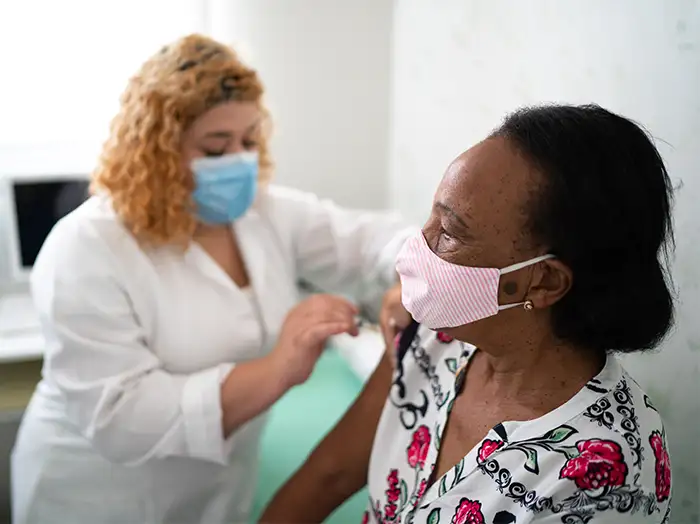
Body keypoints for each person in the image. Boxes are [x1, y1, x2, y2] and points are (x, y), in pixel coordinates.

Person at [10, 34, 413, 524]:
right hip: (98, 496)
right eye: (216, 147)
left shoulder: (264, 215)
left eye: (248, 141)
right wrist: (280, 367)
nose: (239, 161)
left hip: (220, 489)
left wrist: (407, 282)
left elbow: (376, 240)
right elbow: (121, 419)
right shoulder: (87, 246)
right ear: (154, 152)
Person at [260, 104, 675, 523]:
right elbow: (327, 477)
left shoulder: (608, 473)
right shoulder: (434, 337)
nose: (417, 246)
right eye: (432, 216)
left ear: (544, 282)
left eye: (450, 233)